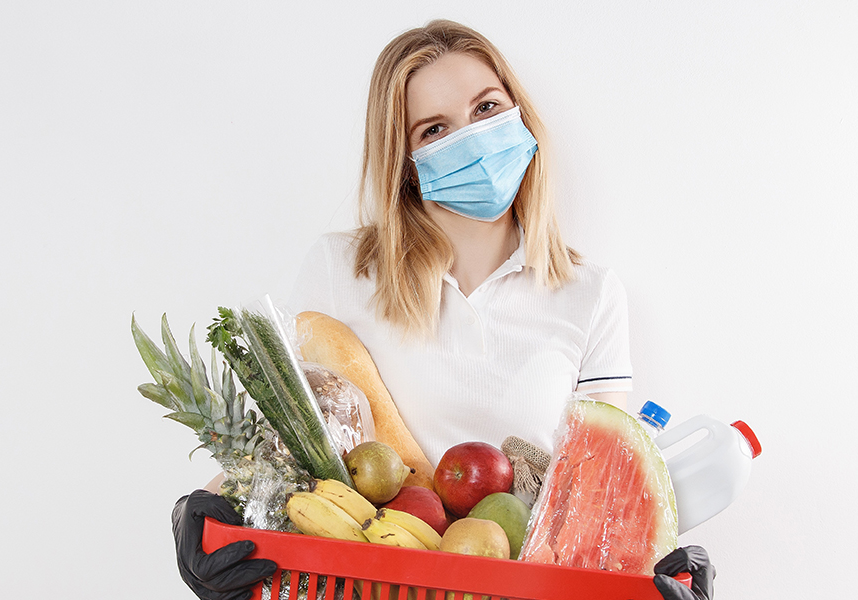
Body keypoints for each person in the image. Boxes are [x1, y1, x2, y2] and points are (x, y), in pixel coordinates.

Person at [171, 20, 715, 600]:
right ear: (405, 160)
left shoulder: (591, 294)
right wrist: (201, 514)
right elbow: (293, 439)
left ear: (519, 114)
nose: (473, 138)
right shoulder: (342, 270)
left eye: (486, 108)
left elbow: (598, 496)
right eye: (435, 129)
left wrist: (658, 560)